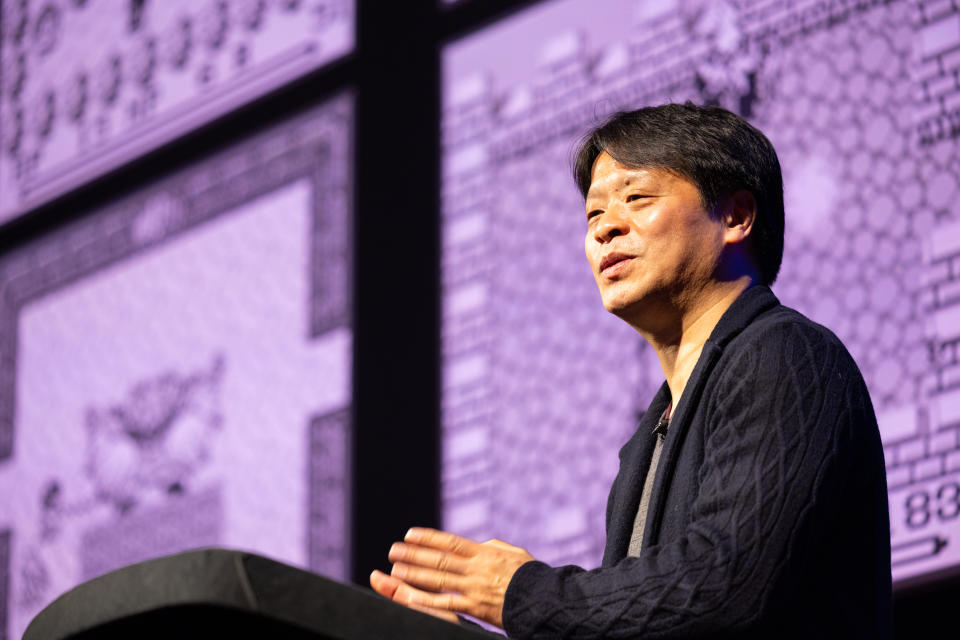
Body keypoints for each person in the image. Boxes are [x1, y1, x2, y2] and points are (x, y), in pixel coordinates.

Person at [369, 103, 893, 638]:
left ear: (735, 217)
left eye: (636, 198)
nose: (605, 230)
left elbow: (726, 586)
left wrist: (522, 595)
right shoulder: (648, 437)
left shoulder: (786, 353)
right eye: (594, 215)